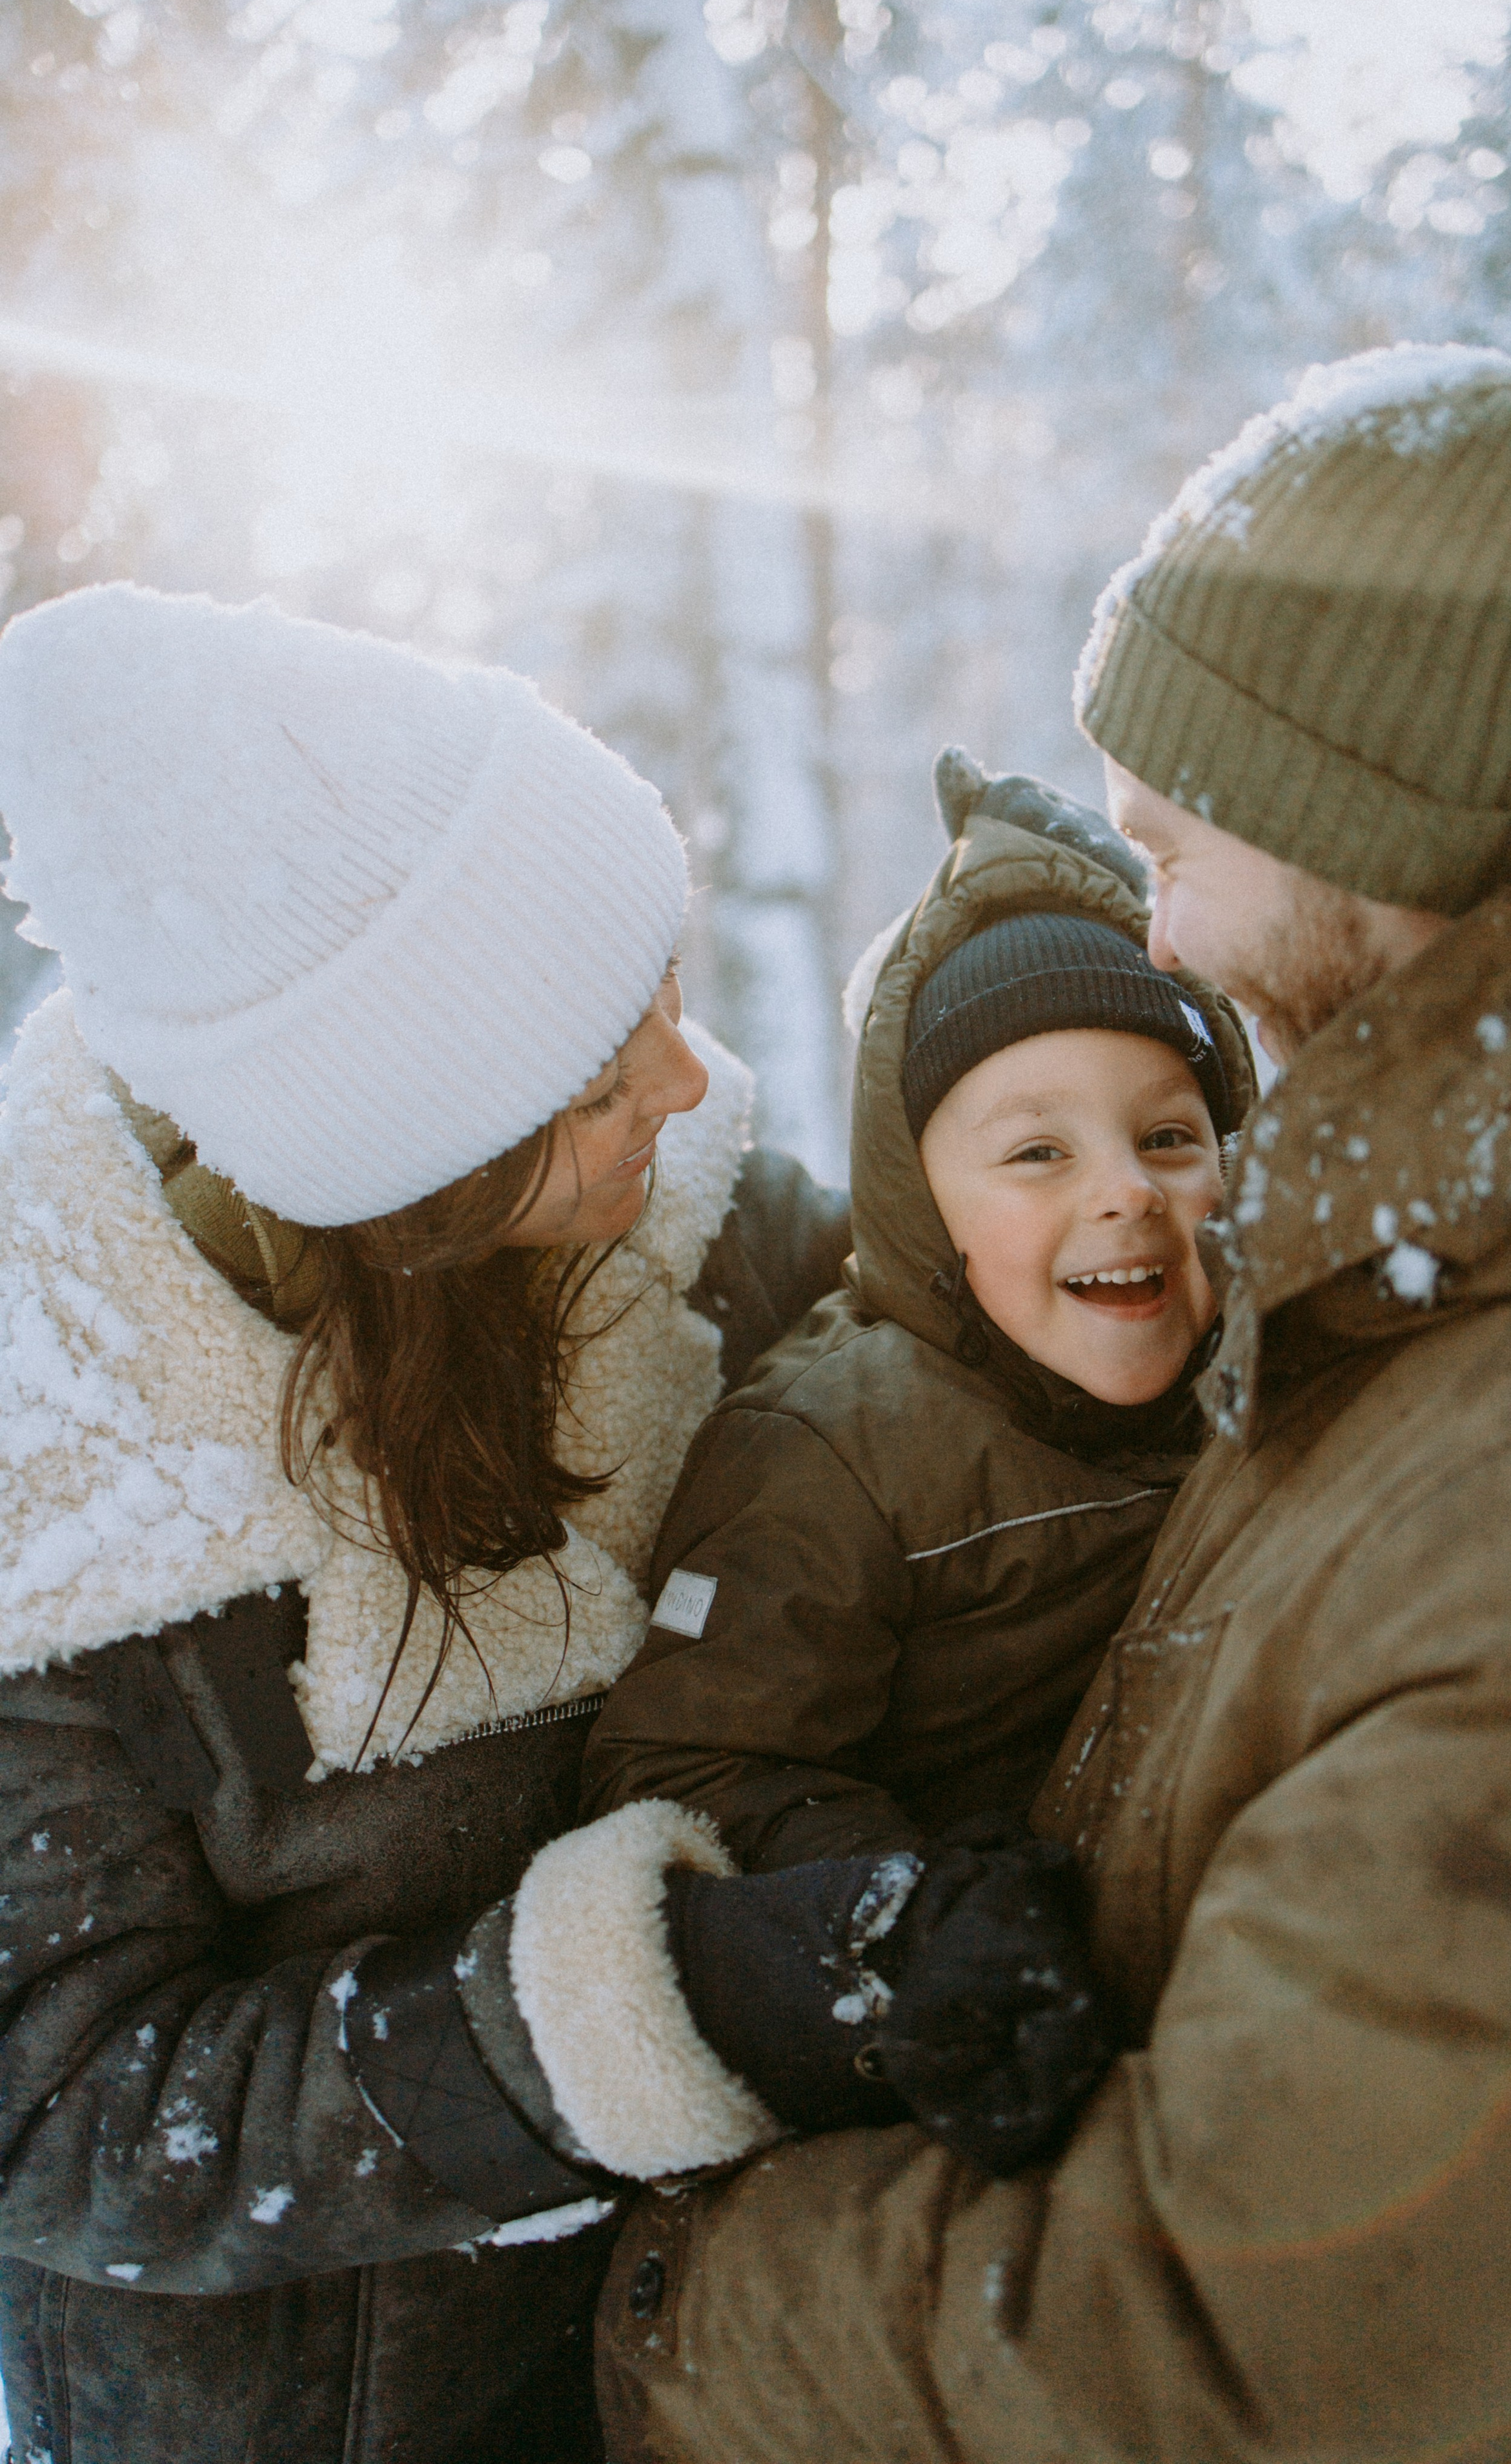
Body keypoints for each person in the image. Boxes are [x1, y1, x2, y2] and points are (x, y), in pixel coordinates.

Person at [593, 338, 1511, 2464]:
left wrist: (670, 2301)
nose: (1165, 927)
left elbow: (1250, 2355)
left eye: (1184, 844)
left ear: (1386, 806)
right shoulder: (1414, 1292)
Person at [0, 585, 1099, 2464]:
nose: (684, 1087)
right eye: (600, 1078)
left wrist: (1071, 1029)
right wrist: (661, 2004)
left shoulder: (692, 1237)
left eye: (665, 995)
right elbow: (72, 2119)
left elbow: (978, 1381)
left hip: (673, 2371)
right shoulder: (68, 1489)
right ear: (415, 1179)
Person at [582, 751, 1252, 1892]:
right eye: (1040, 1152)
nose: (1127, 1191)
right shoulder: (839, 1448)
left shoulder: (1260, 1372)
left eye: (1169, 1140)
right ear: (922, 1209)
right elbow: (684, 1762)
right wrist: (914, 1900)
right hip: (966, 1965)